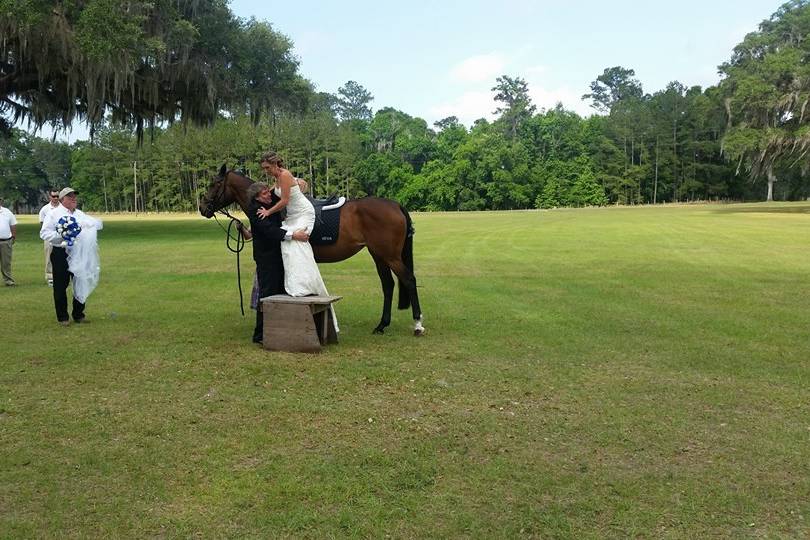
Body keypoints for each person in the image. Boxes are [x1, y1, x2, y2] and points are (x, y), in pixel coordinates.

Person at [246, 181, 310, 344]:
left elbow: (282, 190)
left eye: (268, 191)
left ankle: (279, 328)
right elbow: (270, 231)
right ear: (257, 198)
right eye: (264, 193)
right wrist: (294, 236)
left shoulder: (268, 204)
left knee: (281, 290)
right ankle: (260, 334)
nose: (269, 194)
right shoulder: (256, 211)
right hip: (266, 258)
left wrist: (296, 181)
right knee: (267, 294)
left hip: (278, 255)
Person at [40, 187, 103, 326]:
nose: (74, 198)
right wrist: (62, 235)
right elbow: (44, 233)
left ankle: (79, 314)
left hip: (79, 253)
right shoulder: (54, 214)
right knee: (60, 286)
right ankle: (63, 317)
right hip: (61, 253)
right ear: (62, 199)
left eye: (74, 196)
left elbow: (89, 228)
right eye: (70, 197)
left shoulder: (80, 214)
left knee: (80, 282)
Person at [38, 189, 61, 285]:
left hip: (62, 236)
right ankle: (50, 276)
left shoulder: (63, 207)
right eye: (53, 196)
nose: (55, 198)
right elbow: (42, 223)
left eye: (57, 196)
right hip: (50, 237)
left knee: (63, 256)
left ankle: (62, 275)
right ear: (50, 197)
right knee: (49, 256)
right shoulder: (45, 209)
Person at [0, 196, 17, 286]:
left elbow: (13, 224)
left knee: (6, 262)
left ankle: (8, 280)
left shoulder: (7, 212)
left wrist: (13, 236)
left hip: (6, 241)